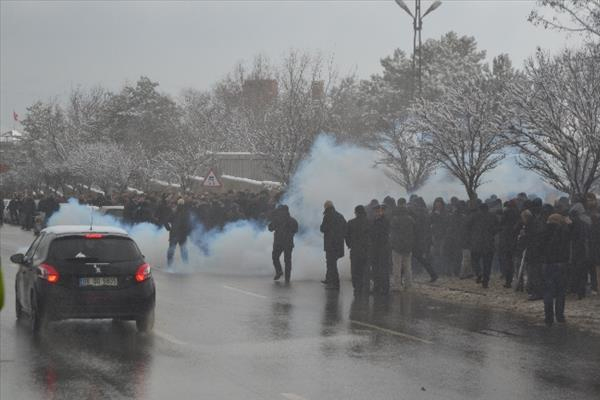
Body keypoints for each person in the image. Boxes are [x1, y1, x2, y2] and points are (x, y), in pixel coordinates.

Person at [540, 213, 572, 326]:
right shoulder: (563, 231)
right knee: (560, 292)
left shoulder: (543, 231)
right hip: (561, 263)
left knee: (548, 291)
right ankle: (560, 316)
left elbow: (539, 246)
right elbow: (568, 243)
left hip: (547, 263)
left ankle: (548, 317)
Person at [465, 203, 498, 289]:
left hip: (476, 243)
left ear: (479, 209)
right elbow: (498, 228)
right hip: (489, 243)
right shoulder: (492, 216)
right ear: (488, 209)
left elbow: (467, 227)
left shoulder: (474, 216)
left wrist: (471, 237)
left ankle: (479, 272)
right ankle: (485, 282)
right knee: (487, 264)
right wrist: (492, 233)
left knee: (474, 260)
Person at [268, 204, 298, 283]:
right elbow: (296, 230)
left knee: (275, 257)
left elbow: (270, 228)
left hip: (279, 242)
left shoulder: (276, 219)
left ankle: (279, 271)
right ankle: (287, 278)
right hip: (288, 243)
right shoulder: (293, 220)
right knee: (288, 261)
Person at [320, 201, 346, 290]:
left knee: (331, 264)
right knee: (331, 262)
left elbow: (322, 228)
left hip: (330, 244)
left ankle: (335, 283)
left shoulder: (327, 216)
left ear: (326, 207)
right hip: (338, 244)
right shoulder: (340, 216)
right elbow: (345, 228)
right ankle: (328, 279)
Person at [389, 198, 415, 291]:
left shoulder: (394, 219)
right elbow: (414, 232)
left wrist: (392, 244)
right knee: (408, 267)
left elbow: (392, 233)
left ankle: (397, 285)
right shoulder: (410, 219)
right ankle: (408, 285)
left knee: (397, 267)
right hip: (408, 246)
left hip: (397, 246)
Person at [345, 205, 370, 295]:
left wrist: (350, 245)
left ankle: (357, 288)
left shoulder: (351, 223)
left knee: (355, 270)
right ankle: (365, 288)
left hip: (355, 250)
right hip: (366, 250)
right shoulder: (369, 222)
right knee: (365, 270)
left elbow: (346, 236)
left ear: (356, 212)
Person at [370, 205, 391, 295]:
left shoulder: (385, 221)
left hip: (382, 248)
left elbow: (383, 235)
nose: (377, 213)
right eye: (376, 211)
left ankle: (385, 288)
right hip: (375, 248)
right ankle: (377, 286)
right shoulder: (375, 221)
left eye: (379, 211)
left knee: (383, 269)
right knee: (376, 269)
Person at [166, 198, 191, 268]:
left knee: (171, 249)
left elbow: (166, 221)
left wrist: (169, 228)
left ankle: (169, 265)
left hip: (174, 234)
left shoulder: (174, 212)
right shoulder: (186, 212)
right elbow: (189, 224)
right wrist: (188, 232)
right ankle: (186, 265)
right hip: (183, 234)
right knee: (183, 249)